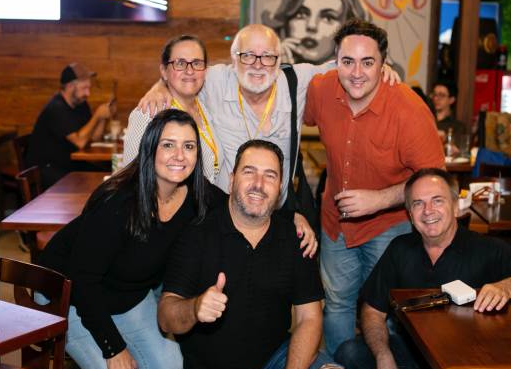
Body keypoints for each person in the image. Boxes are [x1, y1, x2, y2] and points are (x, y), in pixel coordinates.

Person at [139, 23, 401, 259]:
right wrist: (160, 86)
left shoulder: (298, 80)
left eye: (267, 56)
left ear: (279, 60)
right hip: (222, 218)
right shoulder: (217, 79)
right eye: (248, 55)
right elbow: (183, 74)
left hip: (276, 216)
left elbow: (348, 67)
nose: (258, 64)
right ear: (234, 59)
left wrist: (380, 68)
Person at [37, 109, 223, 369]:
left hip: (127, 294)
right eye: (168, 145)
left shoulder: (197, 195)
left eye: (189, 146)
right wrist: (113, 347)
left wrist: (289, 220)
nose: (179, 155)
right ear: (150, 149)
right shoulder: (118, 202)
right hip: (68, 293)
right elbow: (83, 281)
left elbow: (236, 207)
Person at [334, 168, 511, 369]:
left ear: (455, 206)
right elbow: (372, 311)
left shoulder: (485, 248)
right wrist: (385, 359)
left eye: (437, 200)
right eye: (418, 203)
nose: (428, 211)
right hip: (412, 354)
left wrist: (505, 287)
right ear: (410, 215)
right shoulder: (399, 248)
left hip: (467, 360)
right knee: (349, 353)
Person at [157, 139, 353, 369]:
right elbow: (166, 318)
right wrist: (195, 308)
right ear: (231, 180)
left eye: (270, 176)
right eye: (249, 172)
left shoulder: (296, 238)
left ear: (280, 189)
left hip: (275, 364)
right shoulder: (197, 234)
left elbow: (309, 317)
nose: (258, 184)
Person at [303, 19, 445, 355]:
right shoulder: (321, 89)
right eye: (347, 61)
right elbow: (285, 101)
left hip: (388, 228)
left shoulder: (408, 108)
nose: (356, 73)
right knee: (337, 304)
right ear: (335, 62)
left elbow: (434, 176)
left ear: (384, 65)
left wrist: (380, 199)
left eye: (368, 62)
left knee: (385, 311)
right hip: (335, 224)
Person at [123, 35, 224, 186]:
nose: (189, 71)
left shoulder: (206, 107)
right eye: (180, 63)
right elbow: (130, 178)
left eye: (196, 63)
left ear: (205, 70)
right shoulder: (150, 112)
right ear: (164, 71)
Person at [261, 0, 405, 78]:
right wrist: (276, 69)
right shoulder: (267, 69)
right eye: (301, 14)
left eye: (328, 18)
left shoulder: (354, 79)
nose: (311, 26)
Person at [26, 63, 115, 189]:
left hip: (69, 164)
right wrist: (96, 116)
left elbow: (94, 138)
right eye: (84, 88)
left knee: (107, 176)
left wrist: (102, 118)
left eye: (89, 88)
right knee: (95, 185)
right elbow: (80, 142)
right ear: (70, 86)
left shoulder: (81, 104)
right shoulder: (56, 108)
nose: (88, 93)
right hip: (46, 168)